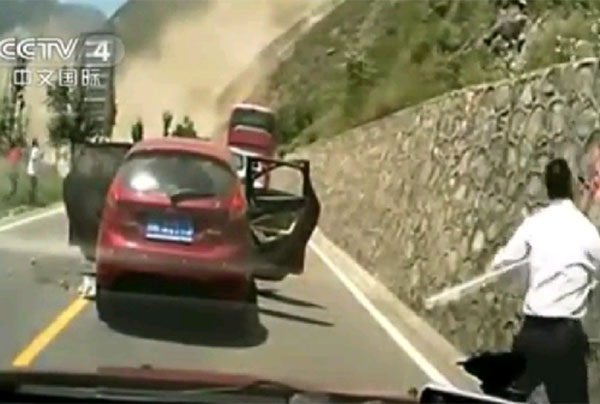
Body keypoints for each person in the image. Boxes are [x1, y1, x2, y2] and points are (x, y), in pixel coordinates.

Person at [491, 158, 599, 404]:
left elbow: (501, 264)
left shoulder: (533, 224)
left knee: (505, 400)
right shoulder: (586, 230)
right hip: (564, 339)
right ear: (571, 185)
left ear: (547, 188)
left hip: (531, 335)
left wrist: (525, 278)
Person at [26, 138, 41, 205]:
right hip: (33, 170)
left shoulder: (33, 150)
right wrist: (40, 156)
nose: (38, 143)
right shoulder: (35, 150)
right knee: (33, 185)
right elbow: (33, 158)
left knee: (33, 185)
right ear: (36, 144)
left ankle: (32, 200)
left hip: (31, 170)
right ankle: (31, 200)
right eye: (37, 142)